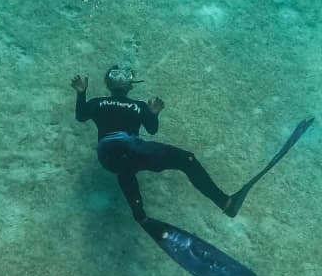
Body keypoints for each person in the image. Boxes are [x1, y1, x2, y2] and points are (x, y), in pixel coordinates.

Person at [71, 65, 233, 223]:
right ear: (107, 82)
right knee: (126, 165)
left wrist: (154, 114)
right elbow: (81, 116)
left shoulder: (139, 106)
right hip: (117, 148)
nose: (121, 78)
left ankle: (224, 202)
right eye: (115, 74)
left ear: (131, 85)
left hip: (124, 152)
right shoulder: (98, 102)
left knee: (181, 160)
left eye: (126, 75)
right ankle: (139, 212)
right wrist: (81, 93)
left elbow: (152, 129)